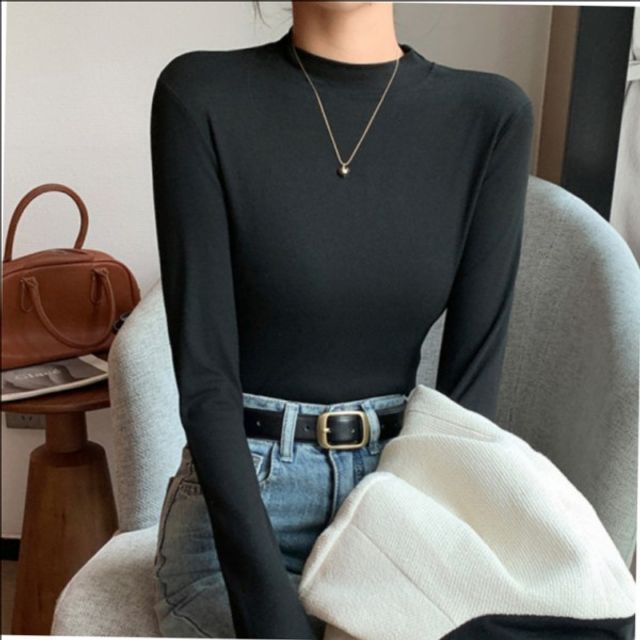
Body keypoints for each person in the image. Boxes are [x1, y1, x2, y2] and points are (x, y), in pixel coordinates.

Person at [149, 2, 534, 639]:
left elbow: (468, 404)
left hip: (400, 502)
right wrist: (272, 619)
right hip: (241, 520)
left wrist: (426, 563)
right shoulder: (199, 95)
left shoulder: (491, 116)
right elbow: (205, 380)